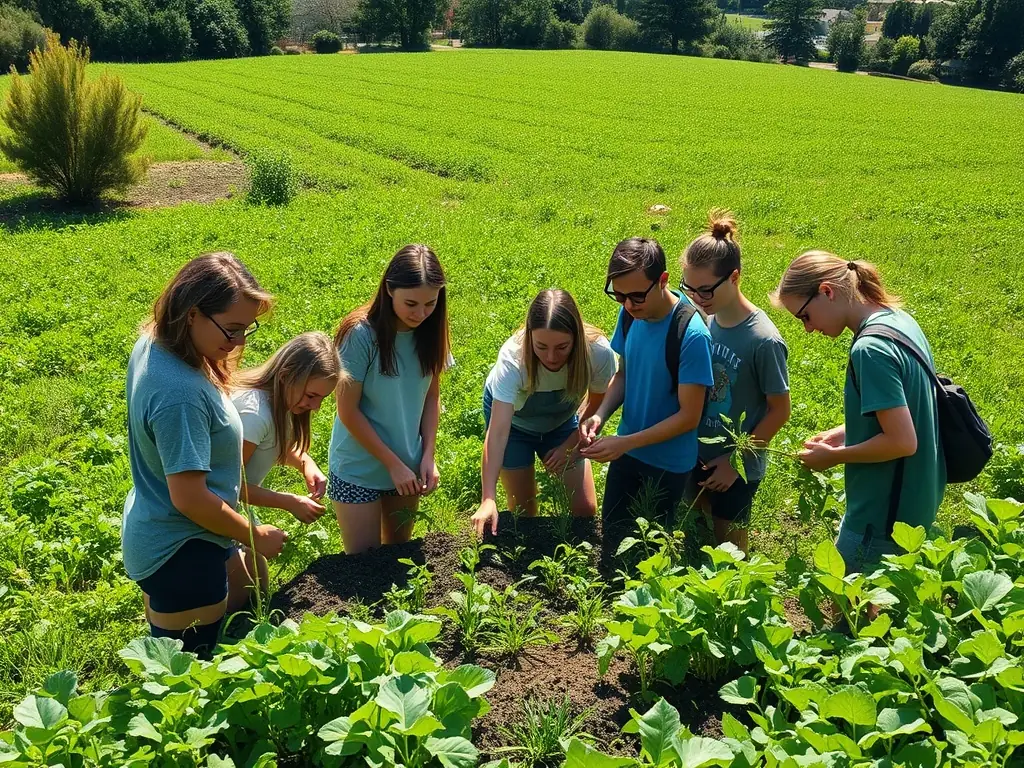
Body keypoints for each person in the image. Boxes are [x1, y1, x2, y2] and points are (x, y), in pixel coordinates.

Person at [122, 252, 286, 657]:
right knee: (189, 683)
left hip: (158, 527)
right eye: (231, 329)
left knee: (171, 660)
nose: (239, 343)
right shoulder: (180, 394)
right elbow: (191, 498)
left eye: (248, 329)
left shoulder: (155, 342)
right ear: (192, 314)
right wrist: (254, 535)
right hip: (183, 551)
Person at [772, 250, 945, 574]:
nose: (808, 329)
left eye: (804, 317)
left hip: (882, 515)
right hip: (916, 498)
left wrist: (833, 458)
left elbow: (903, 442)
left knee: (850, 613)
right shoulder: (897, 320)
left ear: (826, 291)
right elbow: (900, 413)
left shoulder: (870, 350)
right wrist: (844, 433)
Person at [579, 237, 714, 547]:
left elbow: (688, 417)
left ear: (663, 280)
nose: (628, 304)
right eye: (620, 296)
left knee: (650, 550)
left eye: (637, 295)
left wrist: (624, 443)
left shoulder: (691, 335)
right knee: (613, 536)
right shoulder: (630, 315)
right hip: (627, 452)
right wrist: (600, 415)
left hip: (667, 464)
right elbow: (625, 373)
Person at [329, 244, 451, 554]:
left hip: (408, 466)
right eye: (411, 303)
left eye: (430, 304)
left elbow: (431, 396)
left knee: (399, 556)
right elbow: (347, 411)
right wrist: (392, 464)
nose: (421, 314)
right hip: (359, 468)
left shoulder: (431, 331)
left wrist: (427, 455)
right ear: (389, 290)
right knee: (365, 565)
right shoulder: (360, 335)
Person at [680, 211, 791, 554]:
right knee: (695, 542)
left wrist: (734, 460)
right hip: (695, 452)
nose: (697, 297)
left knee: (730, 552)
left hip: (735, 467)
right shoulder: (704, 319)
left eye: (706, 289)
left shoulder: (763, 339)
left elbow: (779, 410)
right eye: (690, 288)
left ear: (735, 277)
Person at [471, 289, 616, 536]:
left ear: (577, 338)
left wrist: (569, 445)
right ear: (529, 338)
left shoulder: (598, 353)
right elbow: (498, 433)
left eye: (562, 347)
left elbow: (596, 404)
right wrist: (488, 498)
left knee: (585, 510)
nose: (551, 357)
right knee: (523, 512)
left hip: (562, 420)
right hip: (514, 425)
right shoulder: (513, 361)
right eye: (541, 346)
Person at [231, 331, 345, 583]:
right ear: (286, 376)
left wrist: (306, 463)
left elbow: (273, 444)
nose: (315, 407)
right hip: (214, 510)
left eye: (322, 399)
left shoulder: (279, 402)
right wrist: (290, 502)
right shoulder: (254, 415)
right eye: (312, 396)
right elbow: (229, 484)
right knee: (243, 596)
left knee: (256, 586)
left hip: (232, 508)